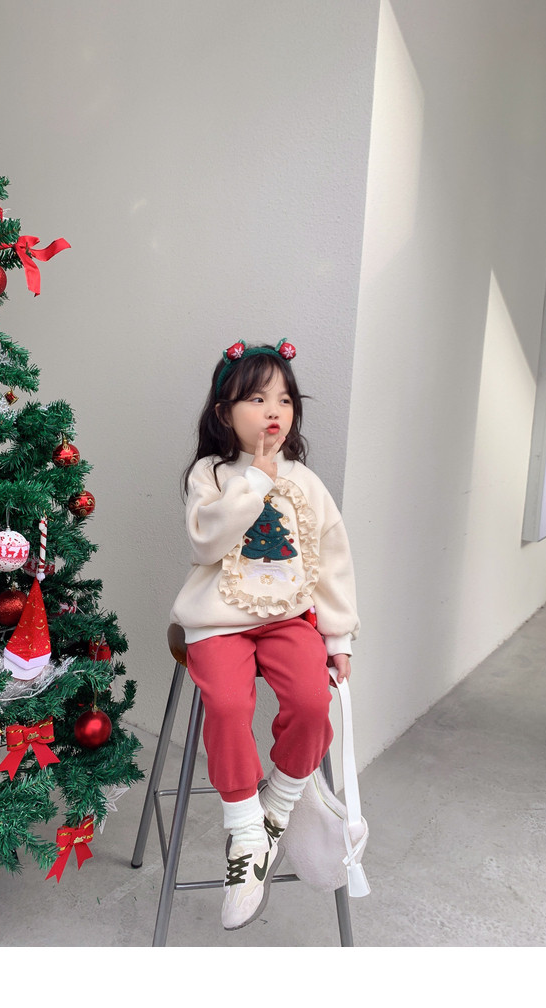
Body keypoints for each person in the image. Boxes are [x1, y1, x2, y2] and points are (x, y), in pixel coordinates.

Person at [170, 339, 359, 931]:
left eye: (284, 399)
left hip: (288, 618)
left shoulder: (307, 481)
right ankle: (244, 831)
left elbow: (332, 560)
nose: (273, 410)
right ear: (224, 412)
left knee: (312, 701)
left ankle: (277, 805)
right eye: (256, 398)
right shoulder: (211, 474)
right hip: (217, 621)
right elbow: (206, 542)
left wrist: (338, 637)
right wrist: (254, 481)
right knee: (227, 705)